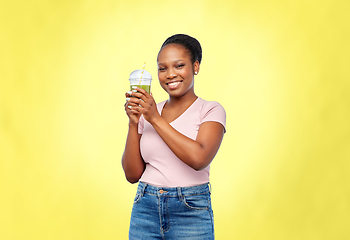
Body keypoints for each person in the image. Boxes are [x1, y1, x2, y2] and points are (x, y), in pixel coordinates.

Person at [122, 34, 226, 239]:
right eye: (162, 68)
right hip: (145, 207)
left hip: (190, 210)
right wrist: (134, 122)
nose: (170, 74)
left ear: (195, 67)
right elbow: (132, 175)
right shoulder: (148, 113)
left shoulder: (210, 110)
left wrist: (155, 119)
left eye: (179, 66)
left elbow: (199, 159)